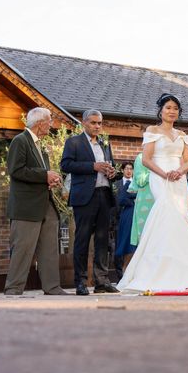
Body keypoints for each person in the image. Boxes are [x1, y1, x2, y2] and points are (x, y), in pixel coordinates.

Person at [117, 94, 188, 292]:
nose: (172, 111)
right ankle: (154, 271)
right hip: (159, 177)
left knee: (180, 219)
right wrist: (164, 174)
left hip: (179, 180)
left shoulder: (181, 135)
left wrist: (179, 171)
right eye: (168, 107)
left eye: (175, 108)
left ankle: (182, 271)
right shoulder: (152, 131)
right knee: (165, 214)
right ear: (161, 111)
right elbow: (146, 159)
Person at [4, 107, 68, 296]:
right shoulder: (20, 141)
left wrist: (50, 180)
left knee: (49, 249)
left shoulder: (40, 145)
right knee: (22, 249)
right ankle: (13, 289)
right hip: (26, 207)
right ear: (40, 123)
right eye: (49, 120)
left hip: (45, 204)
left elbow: (38, 176)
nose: (51, 124)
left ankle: (52, 287)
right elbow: (15, 170)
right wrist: (44, 175)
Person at [61, 109, 119, 295]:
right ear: (84, 123)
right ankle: (80, 282)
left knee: (103, 241)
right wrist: (92, 166)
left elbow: (111, 167)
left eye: (99, 123)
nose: (97, 126)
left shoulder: (104, 144)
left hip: (104, 194)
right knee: (83, 240)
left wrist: (112, 173)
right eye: (93, 122)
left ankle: (101, 282)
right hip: (85, 197)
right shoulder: (74, 142)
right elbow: (66, 165)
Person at [114, 162, 136, 273]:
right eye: (126, 168)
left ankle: (126, 273)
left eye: (131, 169)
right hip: (117, 220)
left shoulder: (137, 184)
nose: (129, 171)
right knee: (118, 246)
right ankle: (120, 275)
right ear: (123, 170)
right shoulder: (115, 184)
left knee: (130, 245)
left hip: (132, 219)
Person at [129, 153, 154, 246]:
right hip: (146, 201)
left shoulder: (163, 156)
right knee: (145, 239)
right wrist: (157, 171)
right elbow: (140, 180)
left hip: (162, 199)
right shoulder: (141, 157)